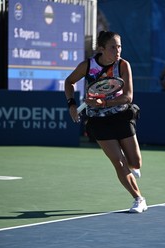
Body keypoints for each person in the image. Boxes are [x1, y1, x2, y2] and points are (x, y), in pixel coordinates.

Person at [64, 31, 147, 213]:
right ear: (101, 49)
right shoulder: (87, 66)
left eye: (119, 46)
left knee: (135, 163)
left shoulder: (123, 65)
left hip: (120, 115)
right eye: (113, 47)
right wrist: (72, 105)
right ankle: (139, 199)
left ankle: (130, 167)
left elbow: (128, 97)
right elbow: (69, 82)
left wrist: (105, 102)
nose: (117, 50)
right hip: (97, 120)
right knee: (118, 162)